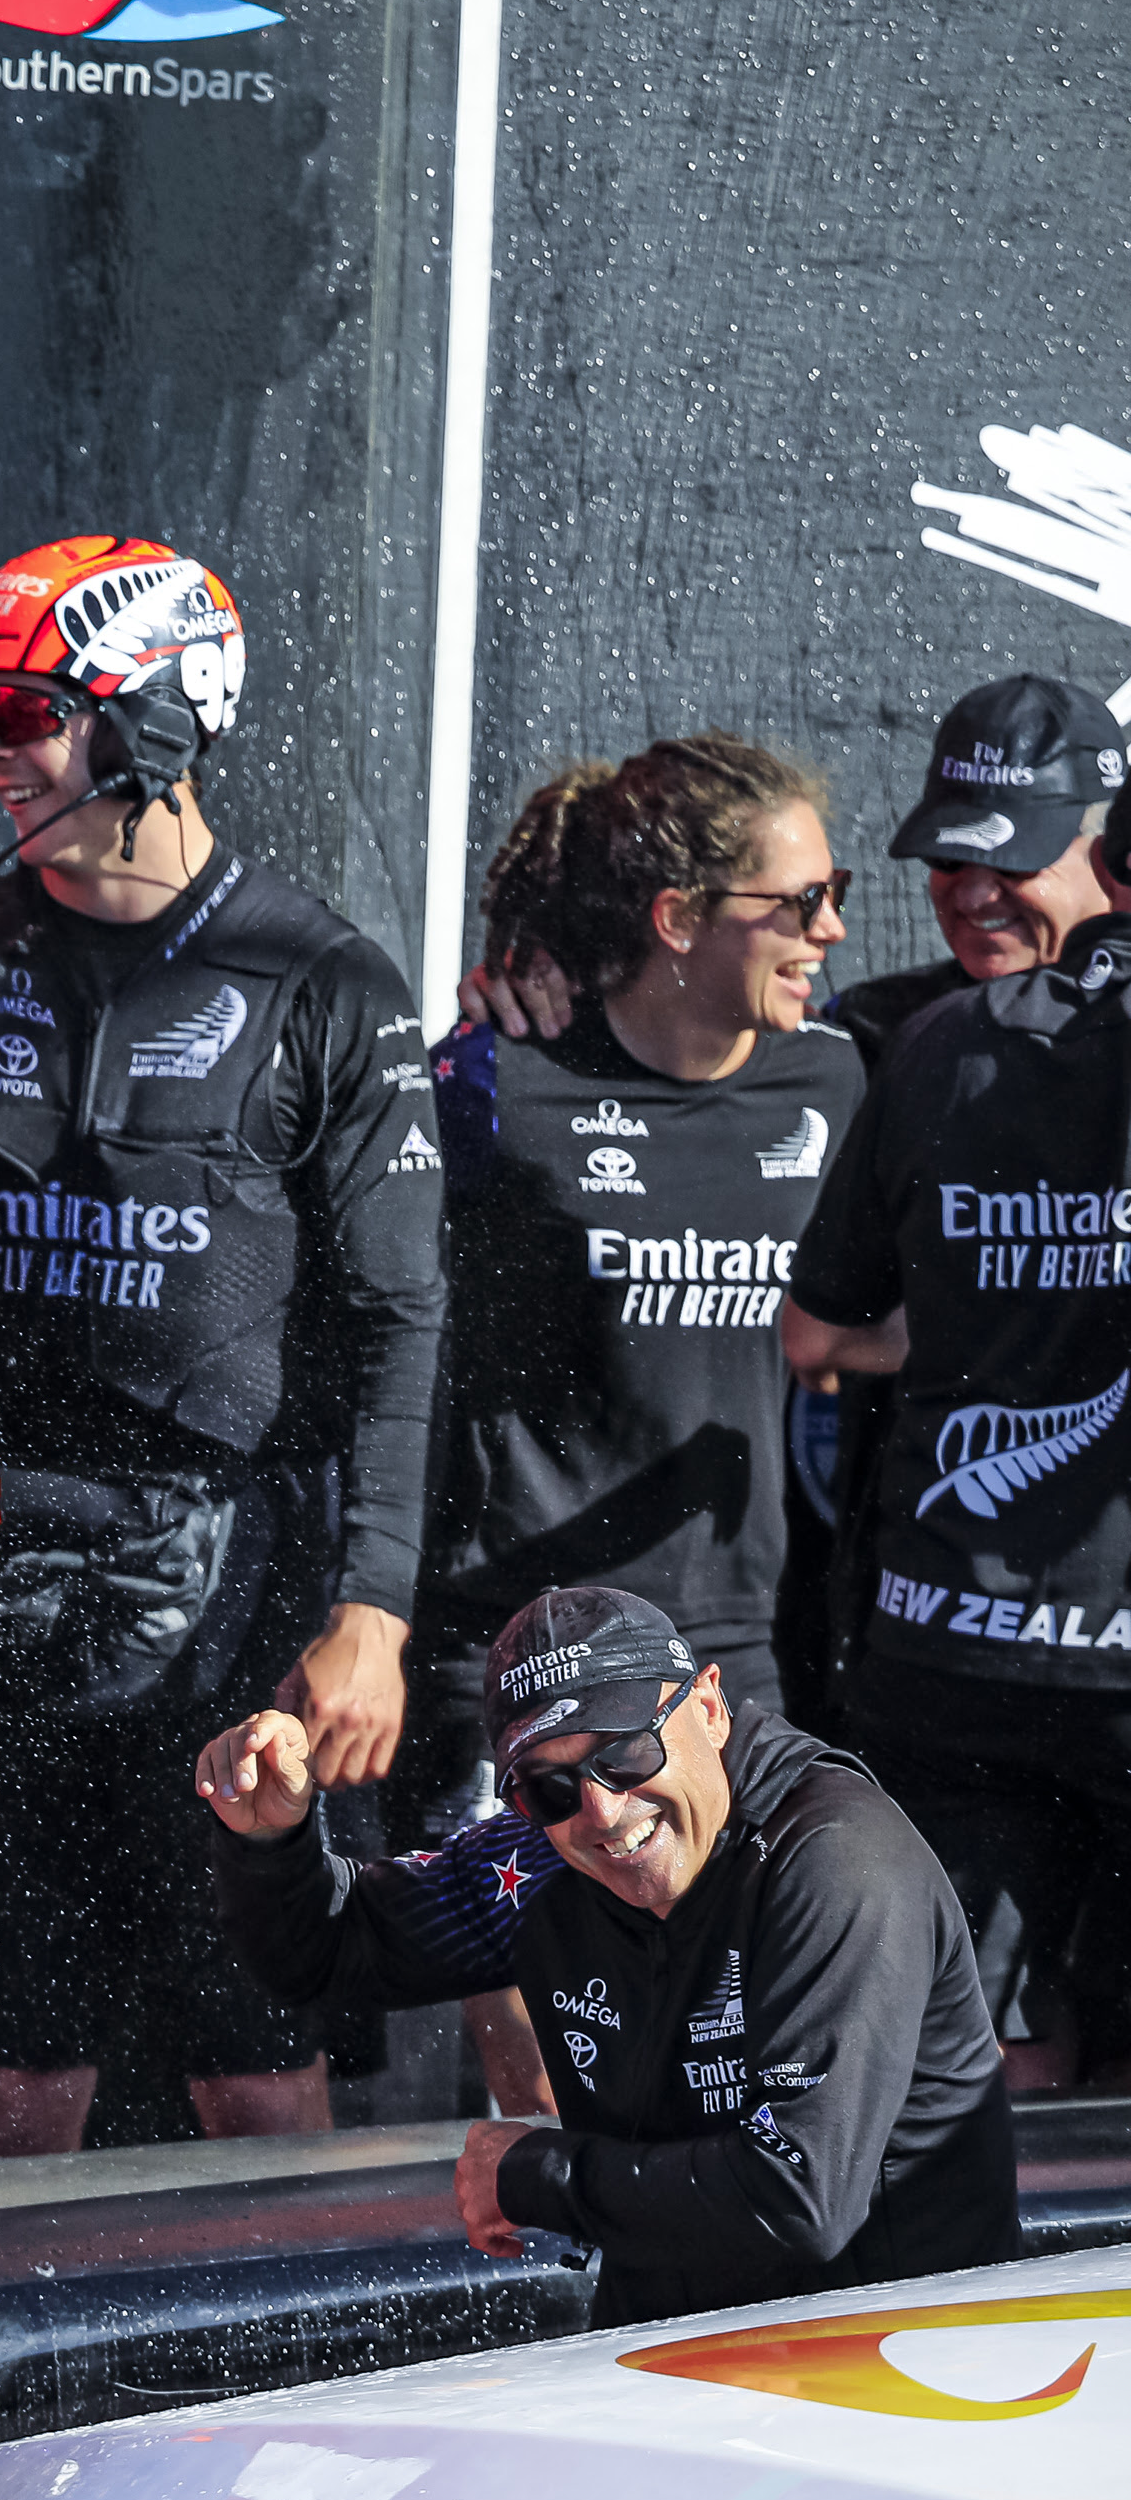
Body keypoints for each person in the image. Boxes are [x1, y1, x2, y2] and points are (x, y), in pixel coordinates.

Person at [0, 536, 442, 2159]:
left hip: (227, 1570)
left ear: (149, 725)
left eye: (24, 711)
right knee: (8, 2045)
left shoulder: (325, 981)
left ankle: (305, 2394)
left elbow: (406, 1311)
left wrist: (378, 1609)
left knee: (247, 2031)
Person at [410, 739, 868, 2115]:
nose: (835, 927)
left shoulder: (838, 1084)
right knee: (550, 2099)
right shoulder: (498, 1084)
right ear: (680, 920)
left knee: (731, 2081)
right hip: (510, 1657)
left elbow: (887, 1308)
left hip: (723, 1664)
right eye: (802, 901)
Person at [202, 1584, 1016, 2323]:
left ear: (709, 1708)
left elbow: (799, 2197)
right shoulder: (546, 1857)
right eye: (550, 1788)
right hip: (675, 2367)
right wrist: (271, 1837)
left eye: (627, 1753)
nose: (602, 1810)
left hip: (898, 2374)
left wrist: (535, 2174)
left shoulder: (837, 1859)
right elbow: (325, 1954)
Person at [783, 838, 1131, 2096]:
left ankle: (985, 2285)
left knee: (982, 2048)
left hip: (948, 1640)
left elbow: (817, 1330)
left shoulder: (938, 1040)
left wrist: (982, 1322)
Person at [832, 672, 1116, 1063]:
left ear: (1112, 856)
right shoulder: (867, 1030)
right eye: (948, 858)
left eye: (1017, 862)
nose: (973, 896)